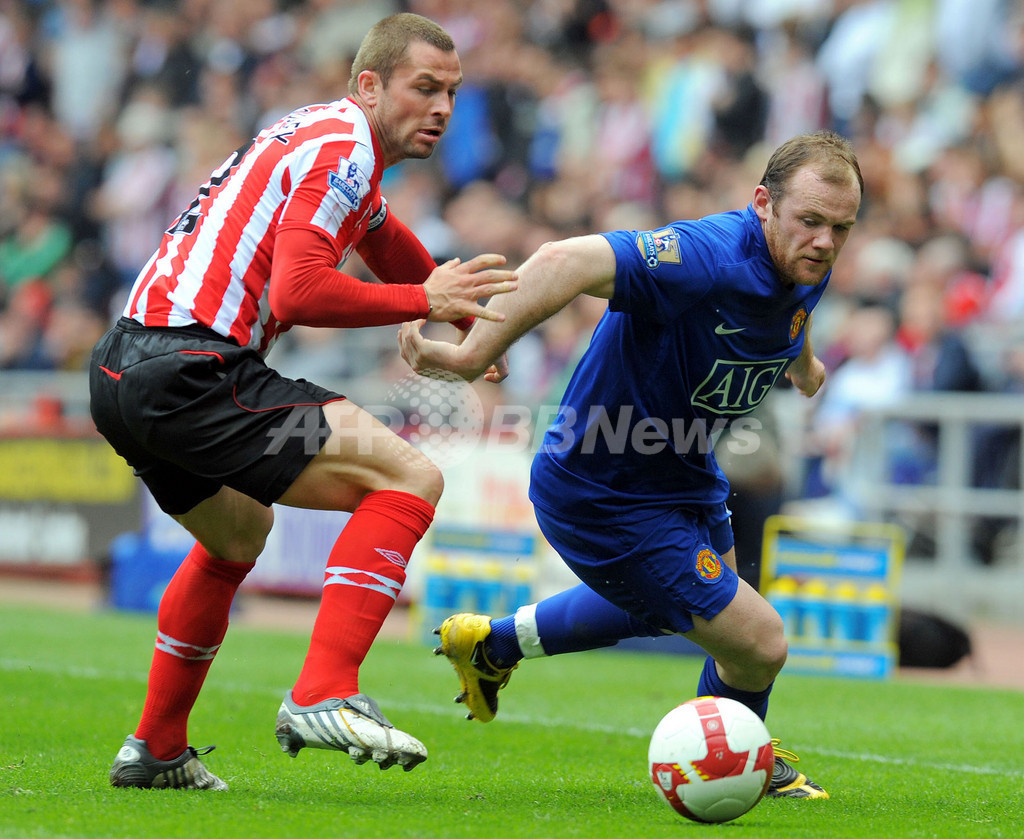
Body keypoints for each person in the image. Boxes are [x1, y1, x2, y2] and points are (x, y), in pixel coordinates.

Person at [89, 13, 517, 790]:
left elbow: (382, 237)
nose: (443, 107)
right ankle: (323, 689)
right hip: (194, 365)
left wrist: (456, 314)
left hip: (123, 369)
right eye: (425, 88)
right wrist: (423, 295)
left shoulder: (323, 137)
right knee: (408, 477)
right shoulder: (347, 145)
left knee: (237, 535)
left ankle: (155, 748)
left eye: (453, 92)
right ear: (369, 83)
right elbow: (300, 288)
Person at [400, 131, 864, 800]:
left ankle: (492, 646)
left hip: (682, 471)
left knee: (695, 617)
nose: (824, 240)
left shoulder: (802, 263)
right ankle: (734, 762)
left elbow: (789, 309)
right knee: (758, 641)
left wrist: (805, 365)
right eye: (811, 221)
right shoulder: (703, 256)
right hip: (603, 484)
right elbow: (564, 260)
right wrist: (474, 356)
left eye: (840, 228)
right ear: (763, 203)